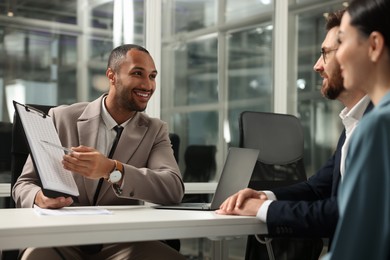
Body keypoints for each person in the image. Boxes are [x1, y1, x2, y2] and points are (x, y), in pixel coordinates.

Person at [216, 8, 372, 256]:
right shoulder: (354, 121)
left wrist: (262, 209)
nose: (317, 66)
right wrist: (264, 196)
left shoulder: (377, 124)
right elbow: (316, 188)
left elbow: (347, 211)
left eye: (326, 53)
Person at [12, 44, 185, 260]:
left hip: (120, 241)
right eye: (137, 73)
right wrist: (40, 197)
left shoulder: (155, 130)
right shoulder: (60, 118)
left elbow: (173, 188)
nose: (147, 84)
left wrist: (114, 170)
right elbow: (23, 184)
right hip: (59, 237)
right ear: (112, 76)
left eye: (152, 76)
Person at [323, 0, 390, 259]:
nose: (337, 57)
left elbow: (354, 251)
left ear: (374, 45)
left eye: (343, 41)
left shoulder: (378, 127)